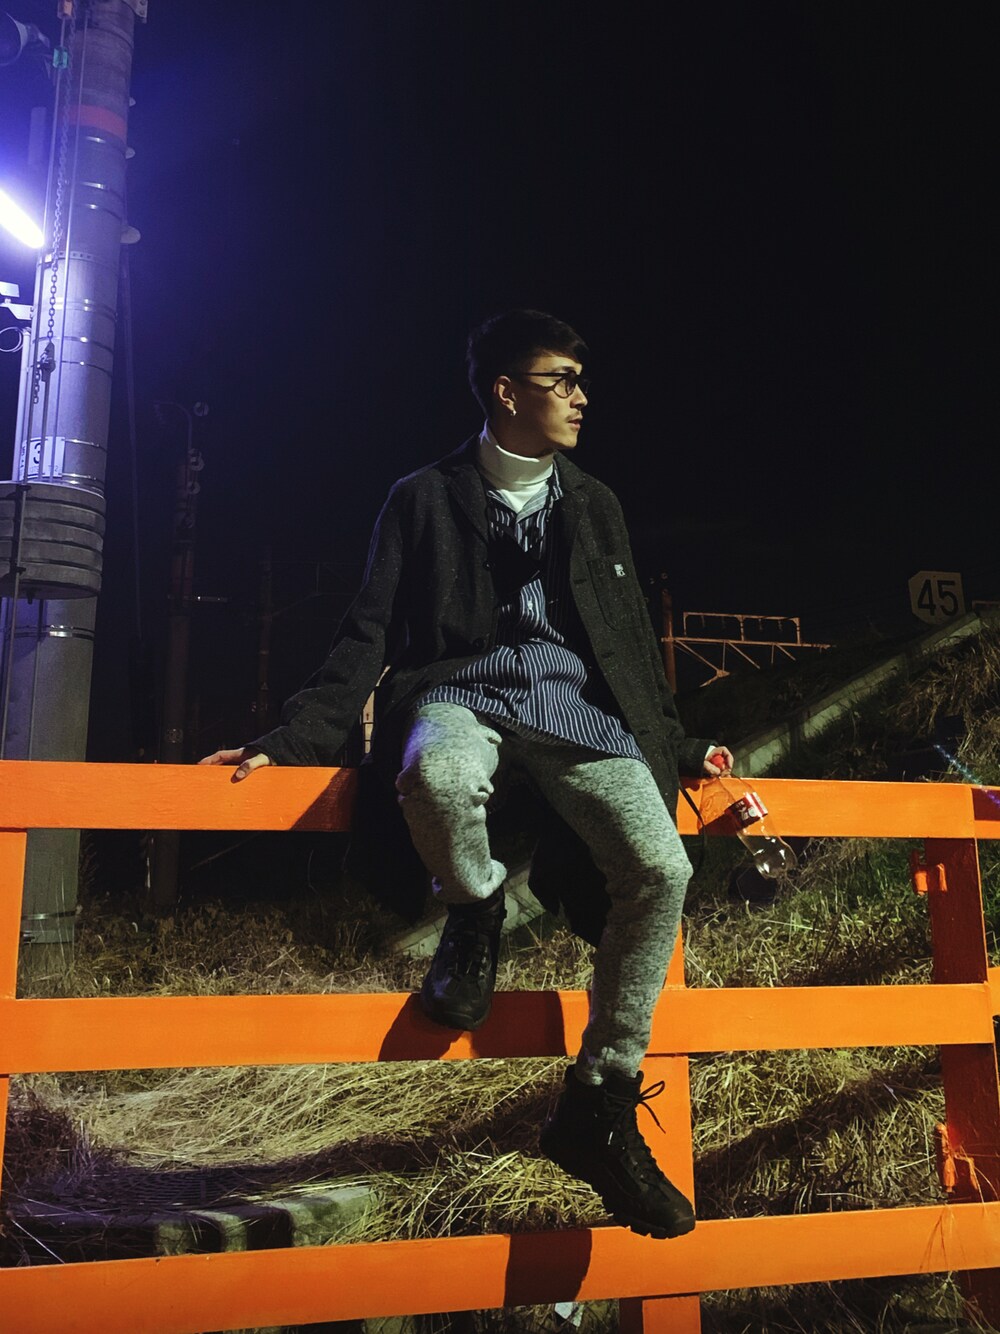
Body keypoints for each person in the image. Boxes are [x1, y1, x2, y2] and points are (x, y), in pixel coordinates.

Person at [200, 309, 732, 1239]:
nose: (581, 397)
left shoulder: (594, 502)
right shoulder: (422, 496)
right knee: (438, 776)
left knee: (662, 868)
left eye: (580, 381)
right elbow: (367, 630)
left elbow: (627, 647)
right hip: (461, 690)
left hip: (573, 703)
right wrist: (294, 740)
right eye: (562, 380)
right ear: (506, 391)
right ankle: (475, 910)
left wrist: (679, 746)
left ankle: (601, 1100)